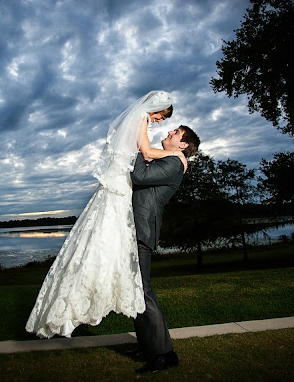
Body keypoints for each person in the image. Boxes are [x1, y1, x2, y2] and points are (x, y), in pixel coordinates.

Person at [26, 91, 183, 339]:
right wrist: (176, 154)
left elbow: (143, 156)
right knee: (115, 262)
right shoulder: (141, 120)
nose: (160, 123)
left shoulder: (139, 120)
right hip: (120, 189)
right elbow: (147, 154)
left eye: (162, 121)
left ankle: (86, 309)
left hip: (119, 189)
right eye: (161, 118)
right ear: (156, 108)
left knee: (103, 253)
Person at [127, 125, 200, 374]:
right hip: (135, 228)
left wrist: (137, 146)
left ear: (183, 145)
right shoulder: (169, 158)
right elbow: (147, 161)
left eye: (176, 133)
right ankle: (147, 345)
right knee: (134, 290)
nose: (169, 132)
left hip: (142, 229)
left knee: (143, 289)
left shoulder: (175, 163)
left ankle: (163, 354)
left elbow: (140, 177)